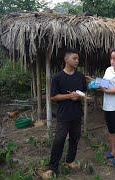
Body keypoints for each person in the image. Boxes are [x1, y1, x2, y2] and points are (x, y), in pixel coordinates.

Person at [41, 48, 87, 179]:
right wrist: (69, 96)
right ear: (66, 59)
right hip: (63, 115)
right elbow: (53, 97)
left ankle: (70, 161)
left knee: (75, 138)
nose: (77, 61)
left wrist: (80, 97)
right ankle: (52, 168)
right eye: (74, 58)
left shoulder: (80, 77)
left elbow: (83, 92)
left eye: (78, 59)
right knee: (59, 140)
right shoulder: (57, 78)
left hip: (77, 114)